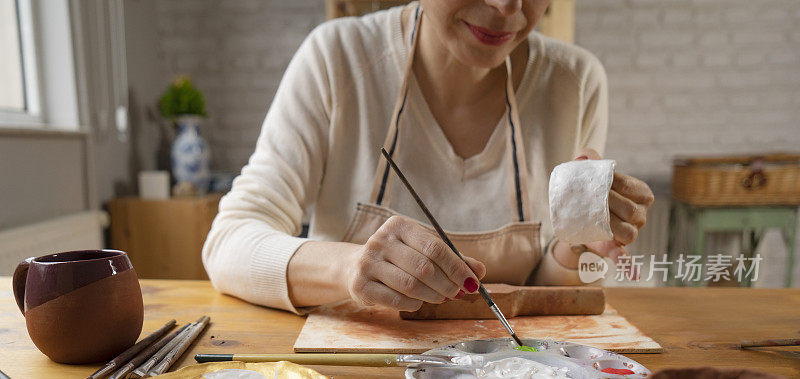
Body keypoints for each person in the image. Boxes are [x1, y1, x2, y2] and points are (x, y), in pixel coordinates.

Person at [202, 0, 654, 314]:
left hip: (509, 376)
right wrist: (349, 267)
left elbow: (547, 290)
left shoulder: (575, 82)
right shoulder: (338, 58)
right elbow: (229, 242)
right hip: (353, 374)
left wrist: (579, 248)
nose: (505, 7)